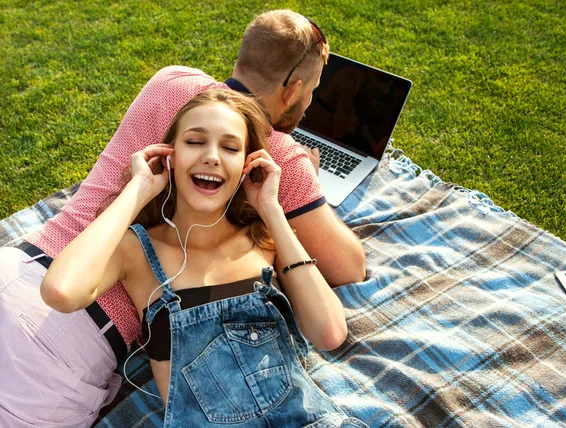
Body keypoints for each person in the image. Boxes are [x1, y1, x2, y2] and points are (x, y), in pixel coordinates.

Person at [0, 9, 365, 426]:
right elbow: (348, 265)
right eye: (313, 92)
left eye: (229, 147)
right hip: (63, 336)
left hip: (17, 265)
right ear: (294, 89)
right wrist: (139, 187)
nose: (212, 154)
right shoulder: (282, 156)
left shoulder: (169, 80)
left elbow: (330, 332)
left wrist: (274, 211)